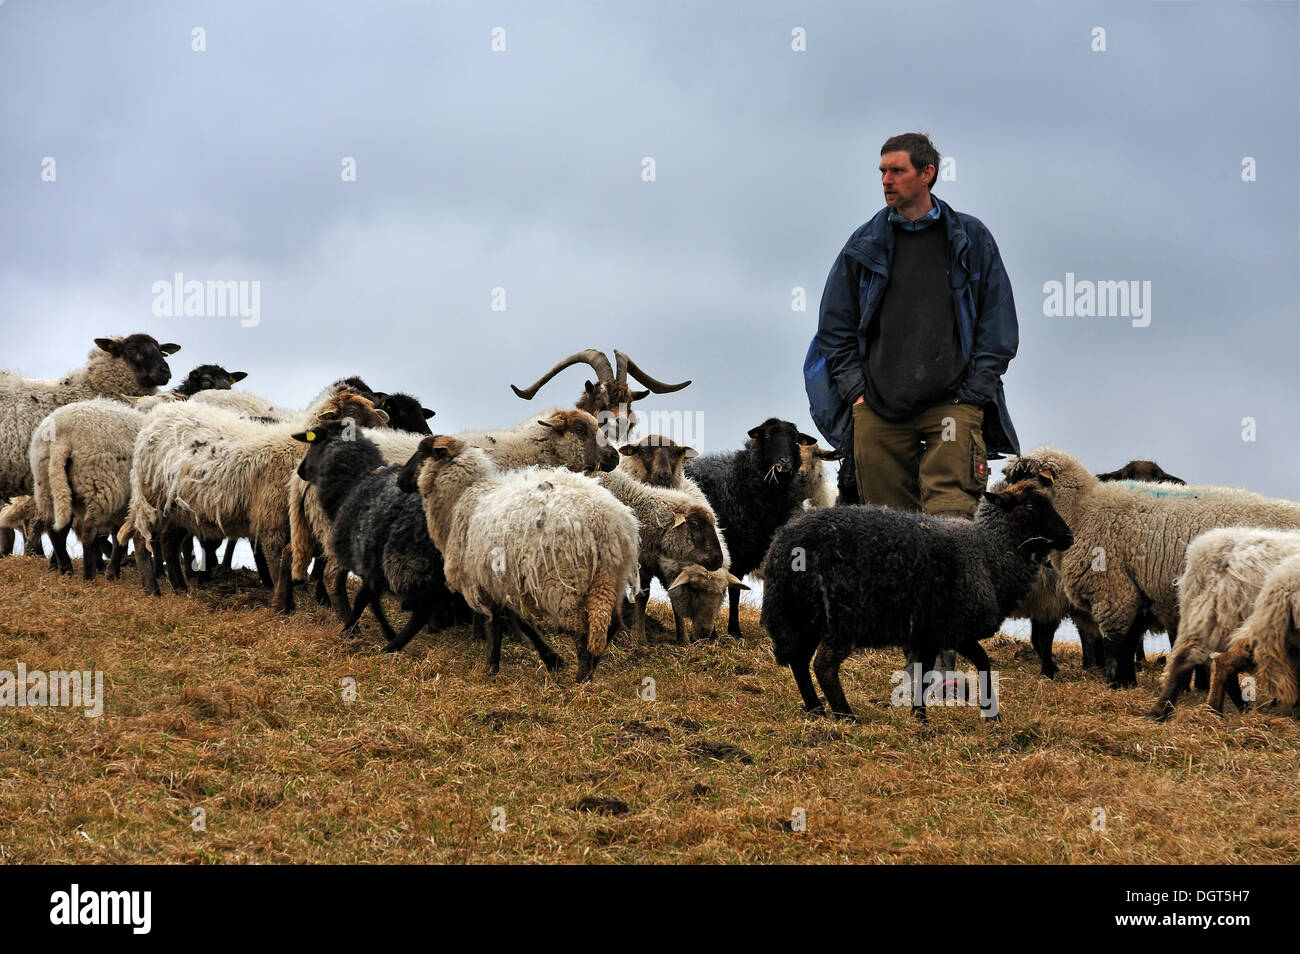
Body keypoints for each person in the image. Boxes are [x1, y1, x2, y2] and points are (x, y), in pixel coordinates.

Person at [815, 132, 1020, 518]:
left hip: (952, 406)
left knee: (952, 526)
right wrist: (856, 392)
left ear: (928, 173)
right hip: (879, 409)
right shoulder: (864, 243)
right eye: (882, 171)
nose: (886, 181)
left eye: (896, 171)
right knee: (890, 535)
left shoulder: (970, 238)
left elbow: (999, 322)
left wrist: (976, 390)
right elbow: (833, 326)